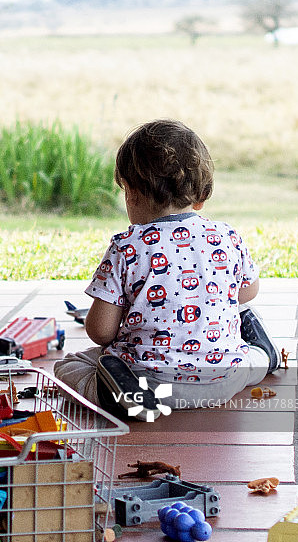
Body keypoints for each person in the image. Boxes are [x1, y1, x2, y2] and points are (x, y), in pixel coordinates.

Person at [54, 119, 279, 420]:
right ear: (201, 196)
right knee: (248, 362)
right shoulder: (226, 236)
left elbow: (100, 331)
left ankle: (128, 398)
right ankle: (265, 354)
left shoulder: (127, 246)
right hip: (224, 379)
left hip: (151, 381)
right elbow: (248, 293)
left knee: (71, 365)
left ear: (130, 193)